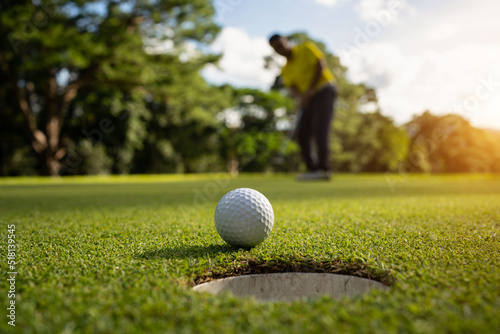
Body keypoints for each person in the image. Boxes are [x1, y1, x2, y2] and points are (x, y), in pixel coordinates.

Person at [269, 34, 337, 180]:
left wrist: (310, 89)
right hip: (307, 99)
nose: (280, 49)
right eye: (275, 48)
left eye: (280, 44)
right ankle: (312, 170)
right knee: (302, 134)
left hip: (324, 90)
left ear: (286, 41)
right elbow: (292, 87)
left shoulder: (306, 48)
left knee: (320, 130)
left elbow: (320, 65)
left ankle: (324, 169)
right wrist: (301, 97)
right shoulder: (285, 69)